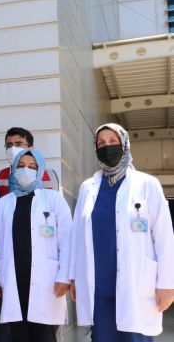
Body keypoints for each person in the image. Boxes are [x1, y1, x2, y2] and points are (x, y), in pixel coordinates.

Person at [69, 123, 174, 341]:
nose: (107, 147)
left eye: (113, 142)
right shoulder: (88, 187)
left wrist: (166, 284)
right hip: (98, 288)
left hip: (136, 283)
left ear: (125, 144)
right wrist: (74, 277)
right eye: (101, 143)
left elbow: (164, 237)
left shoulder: (147, 184)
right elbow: (77, 237)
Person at [0, 149, 72, 342]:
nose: (26, 170)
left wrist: (64, 276)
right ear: (14, 169)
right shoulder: (4, 203)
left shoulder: (53, 199)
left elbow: (67, 241)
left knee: (44, 336)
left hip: (47, 282)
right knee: (17, 335)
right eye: (21, 165)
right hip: (13, 279)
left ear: (40, 170)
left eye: (32, 167)